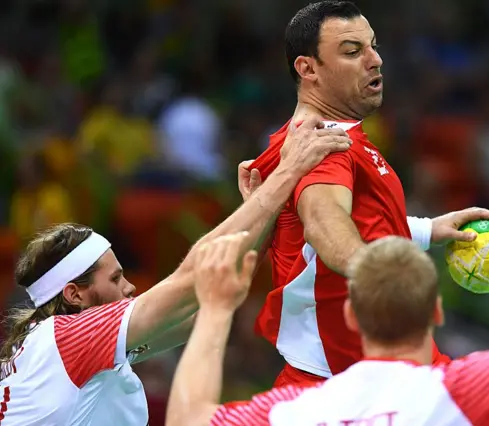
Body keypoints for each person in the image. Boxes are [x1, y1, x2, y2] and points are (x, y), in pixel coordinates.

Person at [166, 81, 489, 425]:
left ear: (353, 315)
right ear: (436, 311)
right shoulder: (467, 393)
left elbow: (188, 418)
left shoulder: (294, 411)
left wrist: (215, 308)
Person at [0, 118, 351, 426]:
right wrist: (287, 175)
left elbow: (197, 310)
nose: (130, 286)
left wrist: (265, 219)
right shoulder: (71, 336)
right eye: (115, 278)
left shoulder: (54, 347)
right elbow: (190, 281)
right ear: (73, 294)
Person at [246, 0, 489, 387]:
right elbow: (323, 223)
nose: (375, 60)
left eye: (373, 46)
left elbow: (354, 222)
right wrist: (393, 281)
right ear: (308, 68)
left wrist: (425, 230)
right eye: (352, 51)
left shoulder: (341, 134)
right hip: (346, 380)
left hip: (389, 363)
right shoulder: (317, 143)